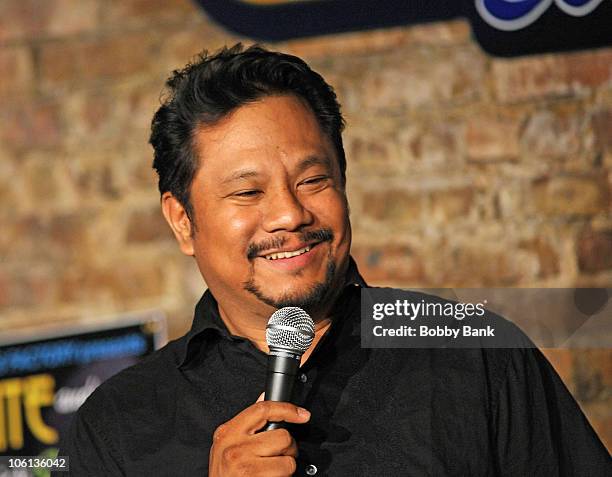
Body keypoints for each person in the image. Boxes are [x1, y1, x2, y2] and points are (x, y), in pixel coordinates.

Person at [58, 44, 611, 476]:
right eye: (248, 193)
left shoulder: (475, 355)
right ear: (183, 220)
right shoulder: (118, 426)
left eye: (313, 180)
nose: (289, 215)